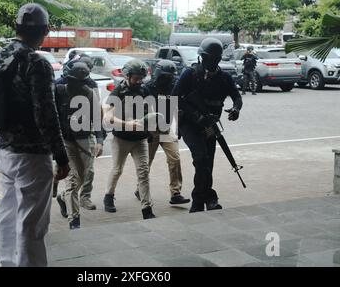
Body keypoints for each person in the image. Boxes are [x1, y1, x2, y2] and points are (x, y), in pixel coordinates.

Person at [0, 3, 70, 267]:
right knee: (32, 224)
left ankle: (7, 262)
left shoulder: (1, 54)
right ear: (45, 30)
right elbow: (45, 114)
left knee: (8, 212)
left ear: (17, 27)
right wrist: (61, 156)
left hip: (3, 149)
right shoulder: (36, 61)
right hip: (31, 156)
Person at [172, 38, 243, 213]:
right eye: (207, 58)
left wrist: (235, 109)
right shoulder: (190, 74)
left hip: (210, 126)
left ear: (218, 59)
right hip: (190, 125)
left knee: (207, 162)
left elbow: (237, 96)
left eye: (213, 59)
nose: (210, 62)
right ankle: (199, 201)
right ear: (201, 57)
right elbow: (174, 98)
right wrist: (194, 115)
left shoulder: (224, 78)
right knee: (201, 158)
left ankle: (209, 197)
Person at [103, 59, 156, 220]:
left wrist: (150, 125)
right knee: (117, 169)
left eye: (141, 77)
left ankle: (147, 208)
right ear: (127, 76)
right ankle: (109, 196)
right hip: (122, 139)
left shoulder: (145, 90)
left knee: (143, 172)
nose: (139, 81)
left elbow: (150, 111)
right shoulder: (118, 92)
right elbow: (107, 117)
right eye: (136, 78)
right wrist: (127, 124)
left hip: (140, 139)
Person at [54, 62, 104, 229]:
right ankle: (74, 220)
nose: (79, 85)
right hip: (66, 141)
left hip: (84, 138)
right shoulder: (59, 91)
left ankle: (63, 197)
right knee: (73, 180)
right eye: (75, 81)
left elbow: (97, 118)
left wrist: (100, 141)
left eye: (82, 82)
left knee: (87, 174)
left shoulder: (89, 93)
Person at [134, 60, 190, 205]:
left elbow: (177, 107)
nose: (169, 79)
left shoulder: (174, 88)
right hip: (150, 130)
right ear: (158, 74)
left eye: (171, 76)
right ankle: (140, 189)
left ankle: (175, 193)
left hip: (166, 128)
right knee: (146, 163)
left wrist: (179, 128)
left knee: (175, 158)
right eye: (166, 76)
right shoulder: (147, 88)